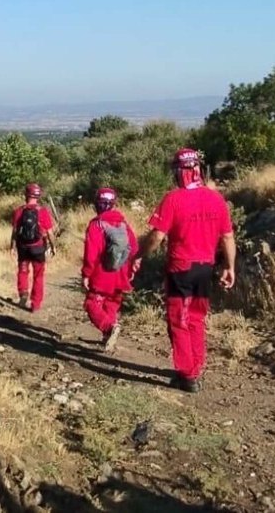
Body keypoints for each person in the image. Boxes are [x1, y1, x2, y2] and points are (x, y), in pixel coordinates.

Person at [136, 148, 237, 393]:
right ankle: (196, 365)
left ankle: (188, 374)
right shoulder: (216, 199)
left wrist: (138, 255)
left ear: (178, 171)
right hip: (205, 267)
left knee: (178, 320)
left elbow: (158, 236)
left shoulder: (173, 199)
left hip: (181, 268)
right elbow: (227, 236)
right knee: (196, 317)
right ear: (198, 169)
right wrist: (229, 267)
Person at [80, 187, 138, 352]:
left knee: (92, 303)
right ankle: (108, 338)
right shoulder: (123, 223)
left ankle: (108, 327)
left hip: (101, 274)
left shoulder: (96, 224)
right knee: (111, 304)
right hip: (121, 273)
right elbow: (133, 248)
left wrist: (86, 274)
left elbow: (91, 254)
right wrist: (132, 267)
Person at [7, 183, 55, 312]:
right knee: (38, 276)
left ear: (26, 195)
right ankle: (35, 304)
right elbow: (50, 233)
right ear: (38, 195)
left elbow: (15, 231)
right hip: (38, 248)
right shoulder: (43, 211)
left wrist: (12, 247)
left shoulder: (18, 211)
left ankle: (23, 293)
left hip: (23, 247)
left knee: (23, 271)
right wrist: (53, 246)